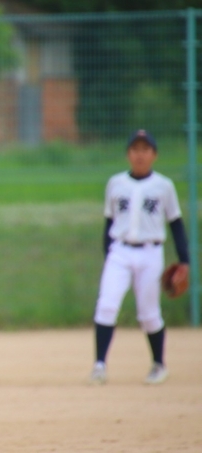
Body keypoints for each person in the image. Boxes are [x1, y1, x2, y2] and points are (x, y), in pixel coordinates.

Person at [90, 129, 190, 385]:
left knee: (148, 314)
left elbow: (176, 224)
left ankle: (159, 364)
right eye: (135, 149)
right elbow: (108, 223)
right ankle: (99, 365)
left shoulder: (163, 186)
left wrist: (184, 261)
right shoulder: (116, 183)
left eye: (145, 149)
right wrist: (108, 256)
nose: (140, 154)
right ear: (128, 154)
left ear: (154, 154)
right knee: (106, 305)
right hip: (119, 252)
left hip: (150, 253)